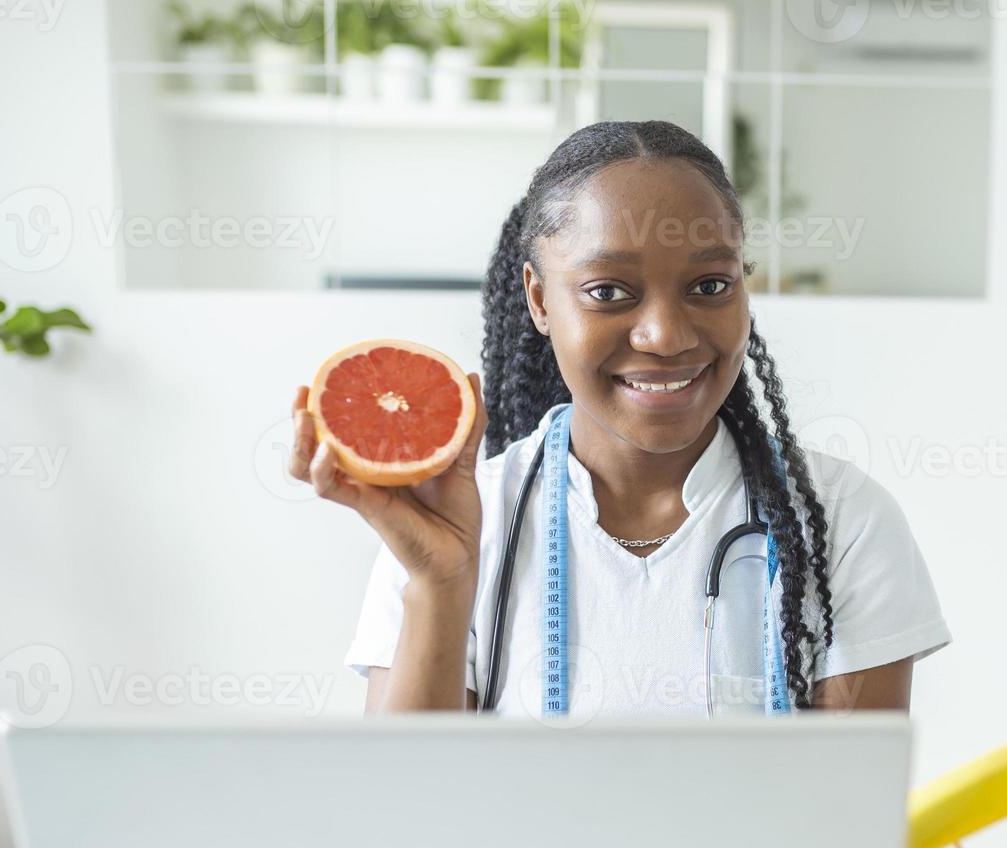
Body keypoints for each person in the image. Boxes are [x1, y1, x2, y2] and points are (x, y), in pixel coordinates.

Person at [289, 120, 950, 718]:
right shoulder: (462, 523)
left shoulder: (842, 520)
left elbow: (848, 823)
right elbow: (403, 817)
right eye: (608, 292)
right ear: (540, 300)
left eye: (710, 286)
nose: (665, 334)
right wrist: (441, 579)